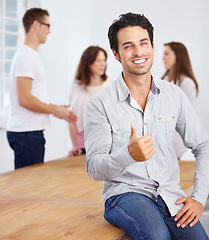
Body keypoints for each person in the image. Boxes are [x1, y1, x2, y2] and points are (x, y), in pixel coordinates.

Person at [84, 13, 209, 240]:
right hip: (124, 194)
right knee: (157, 236)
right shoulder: (99, 104)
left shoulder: (174, 95)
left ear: (152, 46)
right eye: (128, 46)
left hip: (170, 193)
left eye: (143, 43)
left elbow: (203, 144)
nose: (138, 52)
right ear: (116, 54)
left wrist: (199, 197)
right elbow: (94, 167)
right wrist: (127, 155)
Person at [7, 8, 77, 169]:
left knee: (29, 184)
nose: (50, 31)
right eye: (47, 25)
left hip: (29, 133)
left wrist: (56, 108)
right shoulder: (26, 56)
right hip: (27, 133)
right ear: (36, 25)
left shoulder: (29, 55)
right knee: (28, 186)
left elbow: (30, 96)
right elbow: (24, 98)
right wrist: (54, 110)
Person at [68, 46, 112, 156]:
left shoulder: (111, 84)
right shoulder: (76, 87)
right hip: (82, 145)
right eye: (98, 61)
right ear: (88, 63)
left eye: (104, 60)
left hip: (106, 145)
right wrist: (75, 145)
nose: (103, 64)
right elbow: (71, 119)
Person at [162, 42, 199, 159]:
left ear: (177, 56)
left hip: (177, 145)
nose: (163, 58)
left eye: (166, 54)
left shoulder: (186, 83)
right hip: (162, 142)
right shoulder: (165, 80)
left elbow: (185, 118)